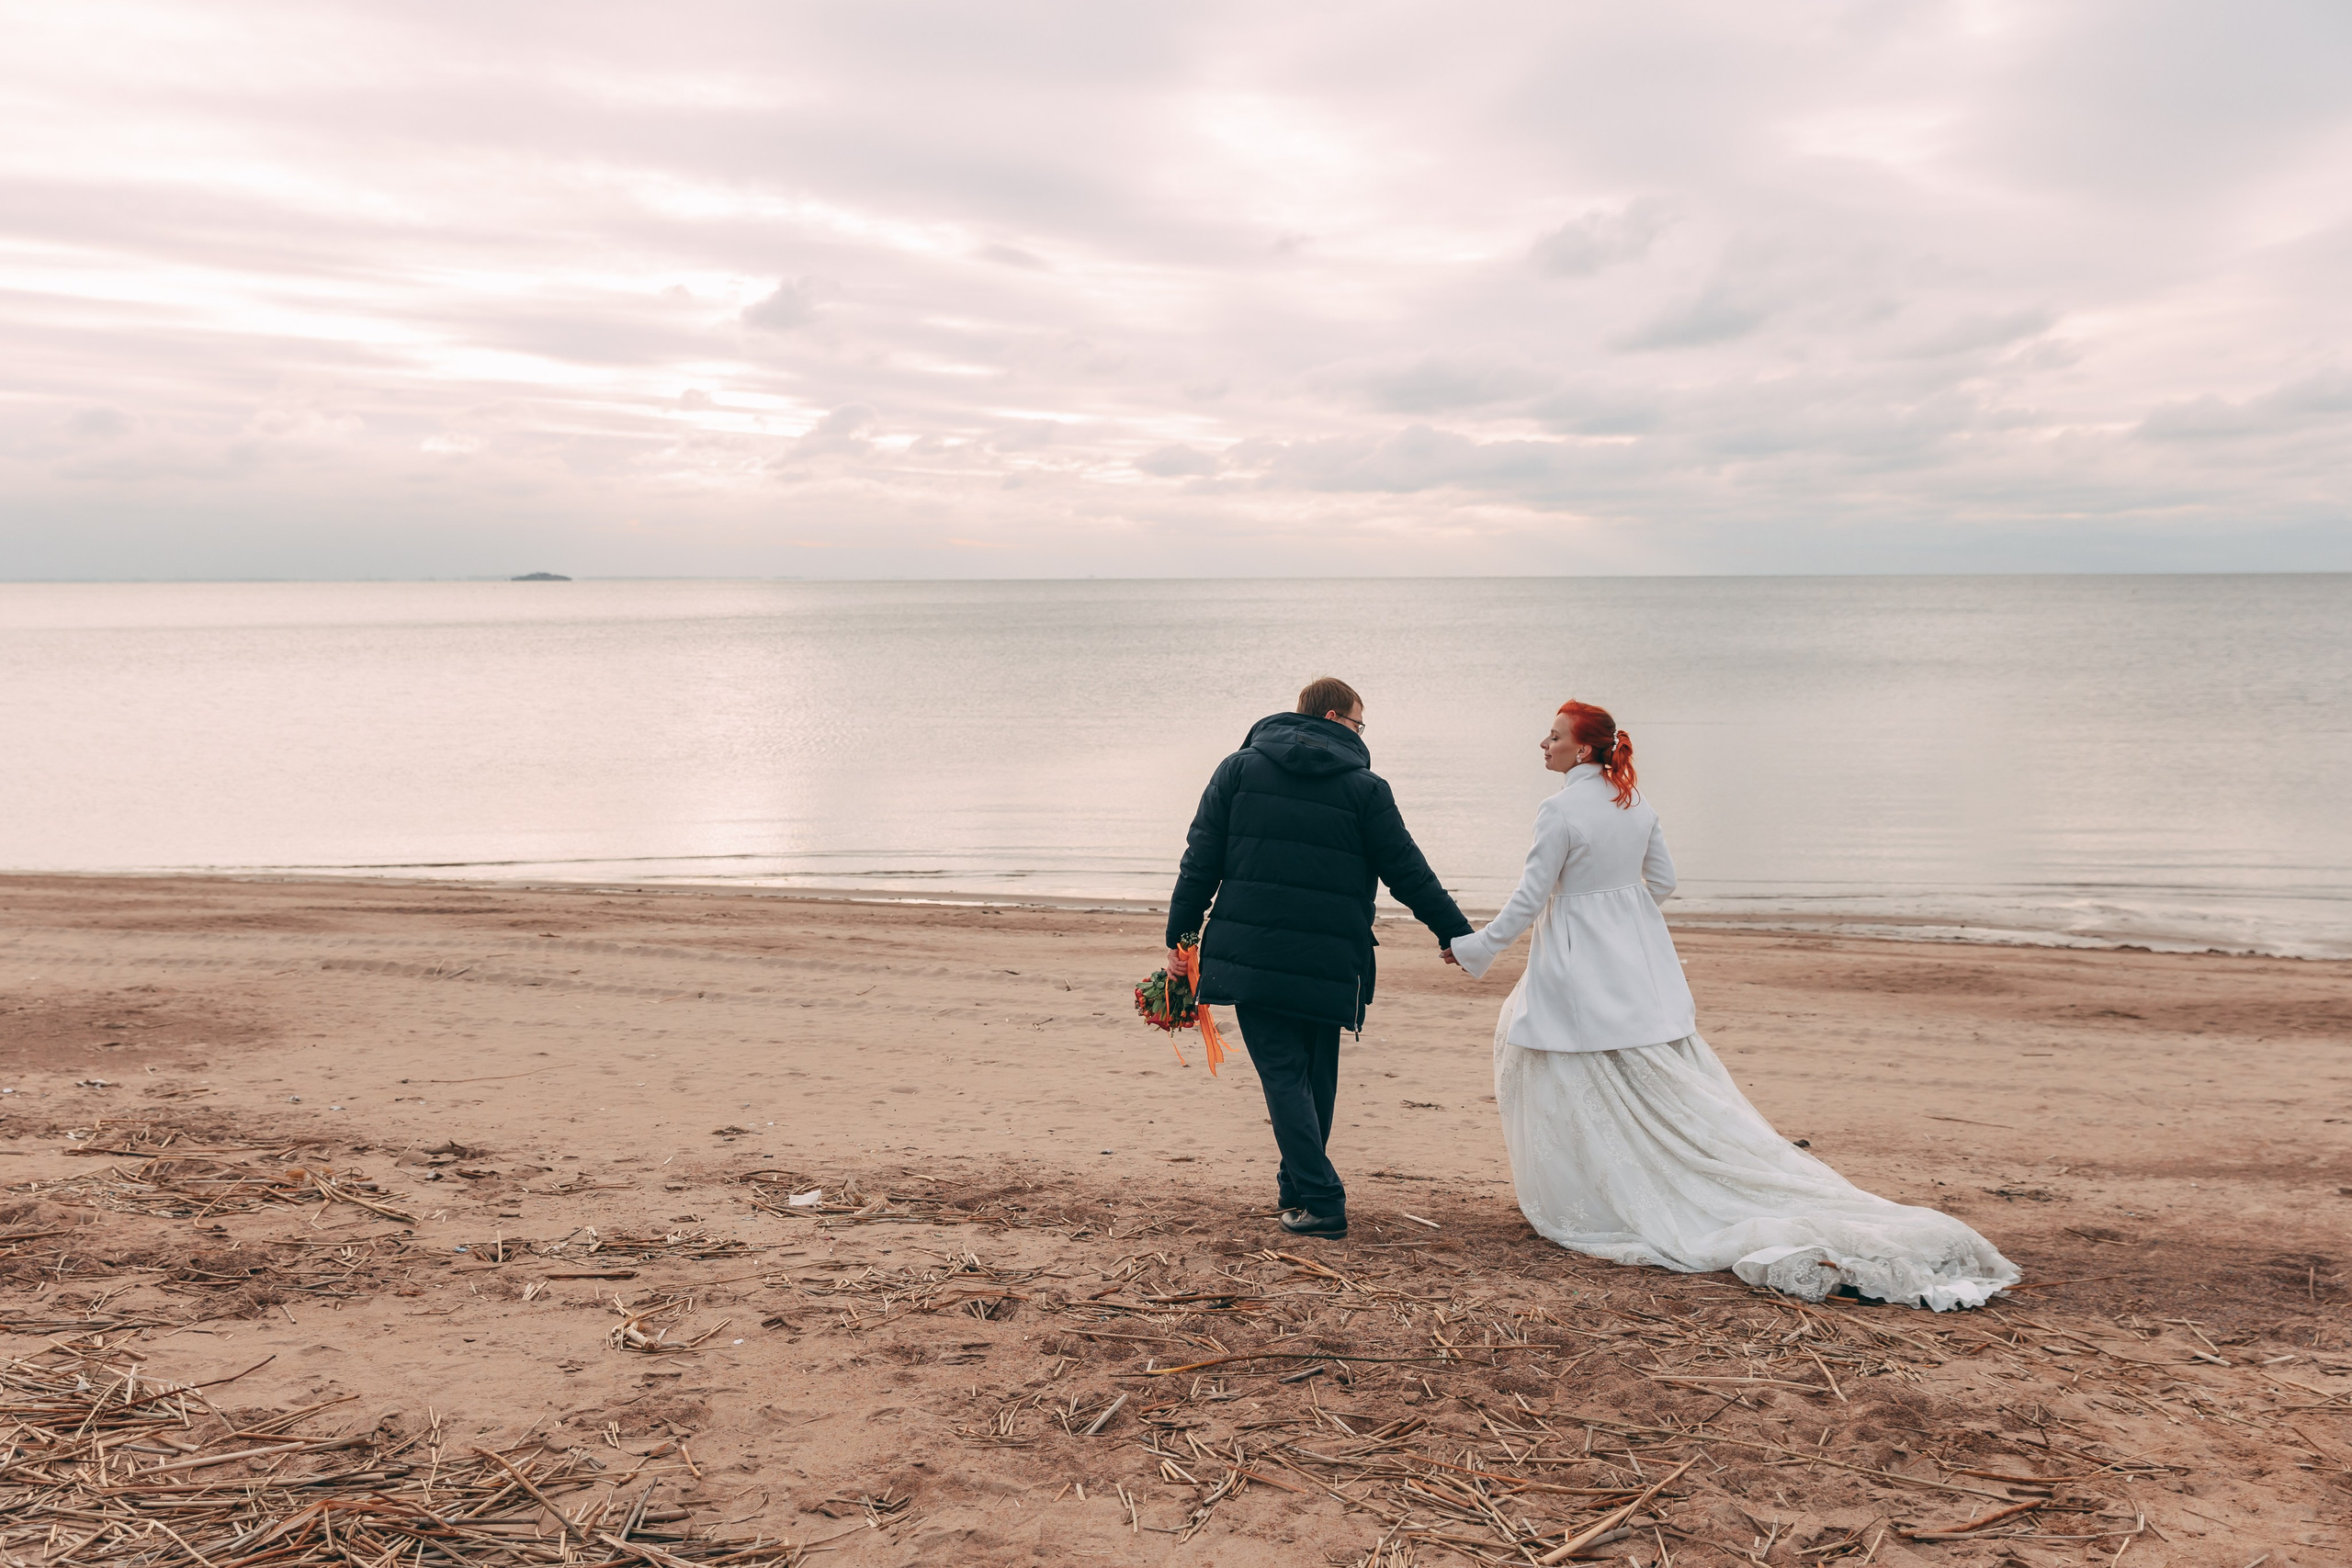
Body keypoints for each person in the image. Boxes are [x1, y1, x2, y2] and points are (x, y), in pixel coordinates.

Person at [1445, 699, 2018, 1309]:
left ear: (1582, 749)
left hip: (1575, 966)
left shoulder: (1558, 810)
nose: (1544, 743)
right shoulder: (1635, 802)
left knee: (1553, 1056)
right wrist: (1619, 917)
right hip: (1639, 968)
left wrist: (1478, 947)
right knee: (1645, 1072)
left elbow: (1531, 897)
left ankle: (1590, 1192)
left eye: (1554, 735)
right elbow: (1663, 882)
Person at [1167, 676, 1471, 1241]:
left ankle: (1318, 1197)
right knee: (1313, 1074)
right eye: (1359, 722)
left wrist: (1181, 939)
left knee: (1286, 1075)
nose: (1362, 733)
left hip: (1254, 953)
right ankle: (1307, 1191)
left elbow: (1199, 863)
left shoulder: (1237, 771)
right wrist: (1455, 933)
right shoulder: (1365, 788)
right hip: (1331, 956)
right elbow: (1408, 871)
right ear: (1333, 718)